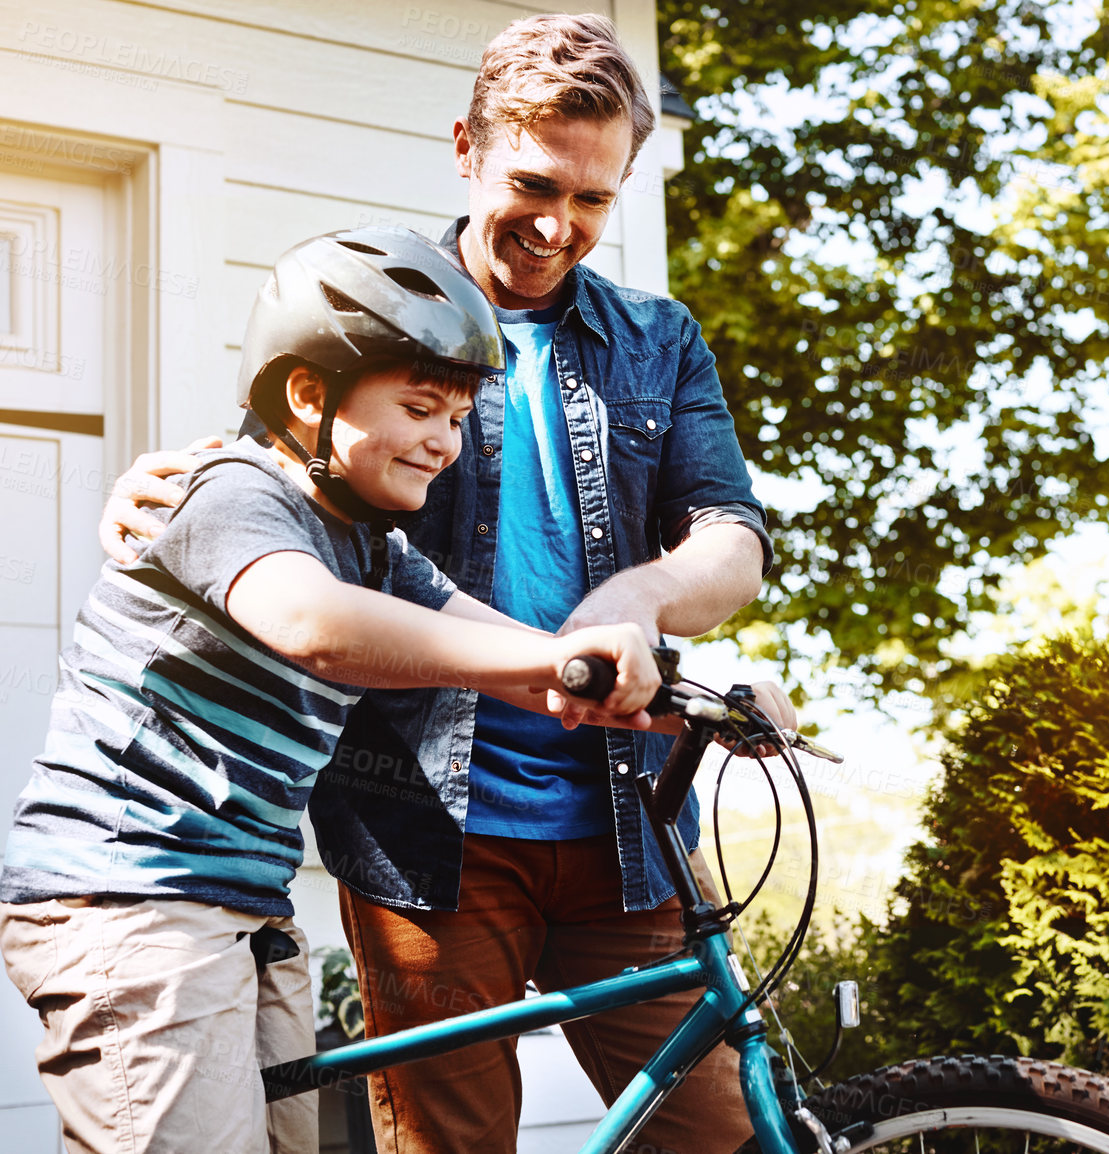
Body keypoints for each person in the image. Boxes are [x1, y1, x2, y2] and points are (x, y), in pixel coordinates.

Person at [100, 14, 777, 1154]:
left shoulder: (659, 340)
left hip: (629, 823)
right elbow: (274, 475)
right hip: (425, 829)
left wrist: (637, 600)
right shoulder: (370, 303)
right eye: (533, 182)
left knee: (716, 1133)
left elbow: (732, 537)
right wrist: (166, 480)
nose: (560, 225)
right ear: (466, 145)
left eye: (596, 200)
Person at [5, 226, 667, 1154]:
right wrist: (550, 668)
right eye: (419, 409)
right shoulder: (228, 493)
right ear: (307, 394)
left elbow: (517, 649)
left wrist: (672, 692)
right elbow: (315, 626)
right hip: (130, 897)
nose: (445, 443)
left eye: (459, 417)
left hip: (240, 904)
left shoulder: (372, 547)